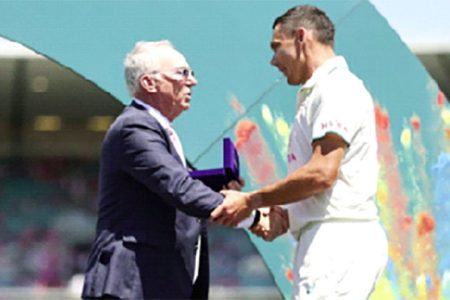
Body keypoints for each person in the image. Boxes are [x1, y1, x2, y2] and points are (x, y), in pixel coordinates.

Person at [211, 5, 388, 299]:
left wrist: (252, 199)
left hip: (336, 242)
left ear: (301, 37)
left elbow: (321, 174)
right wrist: (255, 213)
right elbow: (314, 190)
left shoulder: (336, 88)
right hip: (330, 239)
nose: (272, 60)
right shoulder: (319, 91)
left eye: (277, 47)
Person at [81, 40, 249, 300]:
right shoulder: (134, 127)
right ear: (150, 83)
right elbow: (178, 187)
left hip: (157, 284)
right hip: (132, 284)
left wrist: (218, 187)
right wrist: (252, 213)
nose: (192, 81)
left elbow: (171, 184)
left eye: (191, 73)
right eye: (183, 73)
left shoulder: (158, 130)